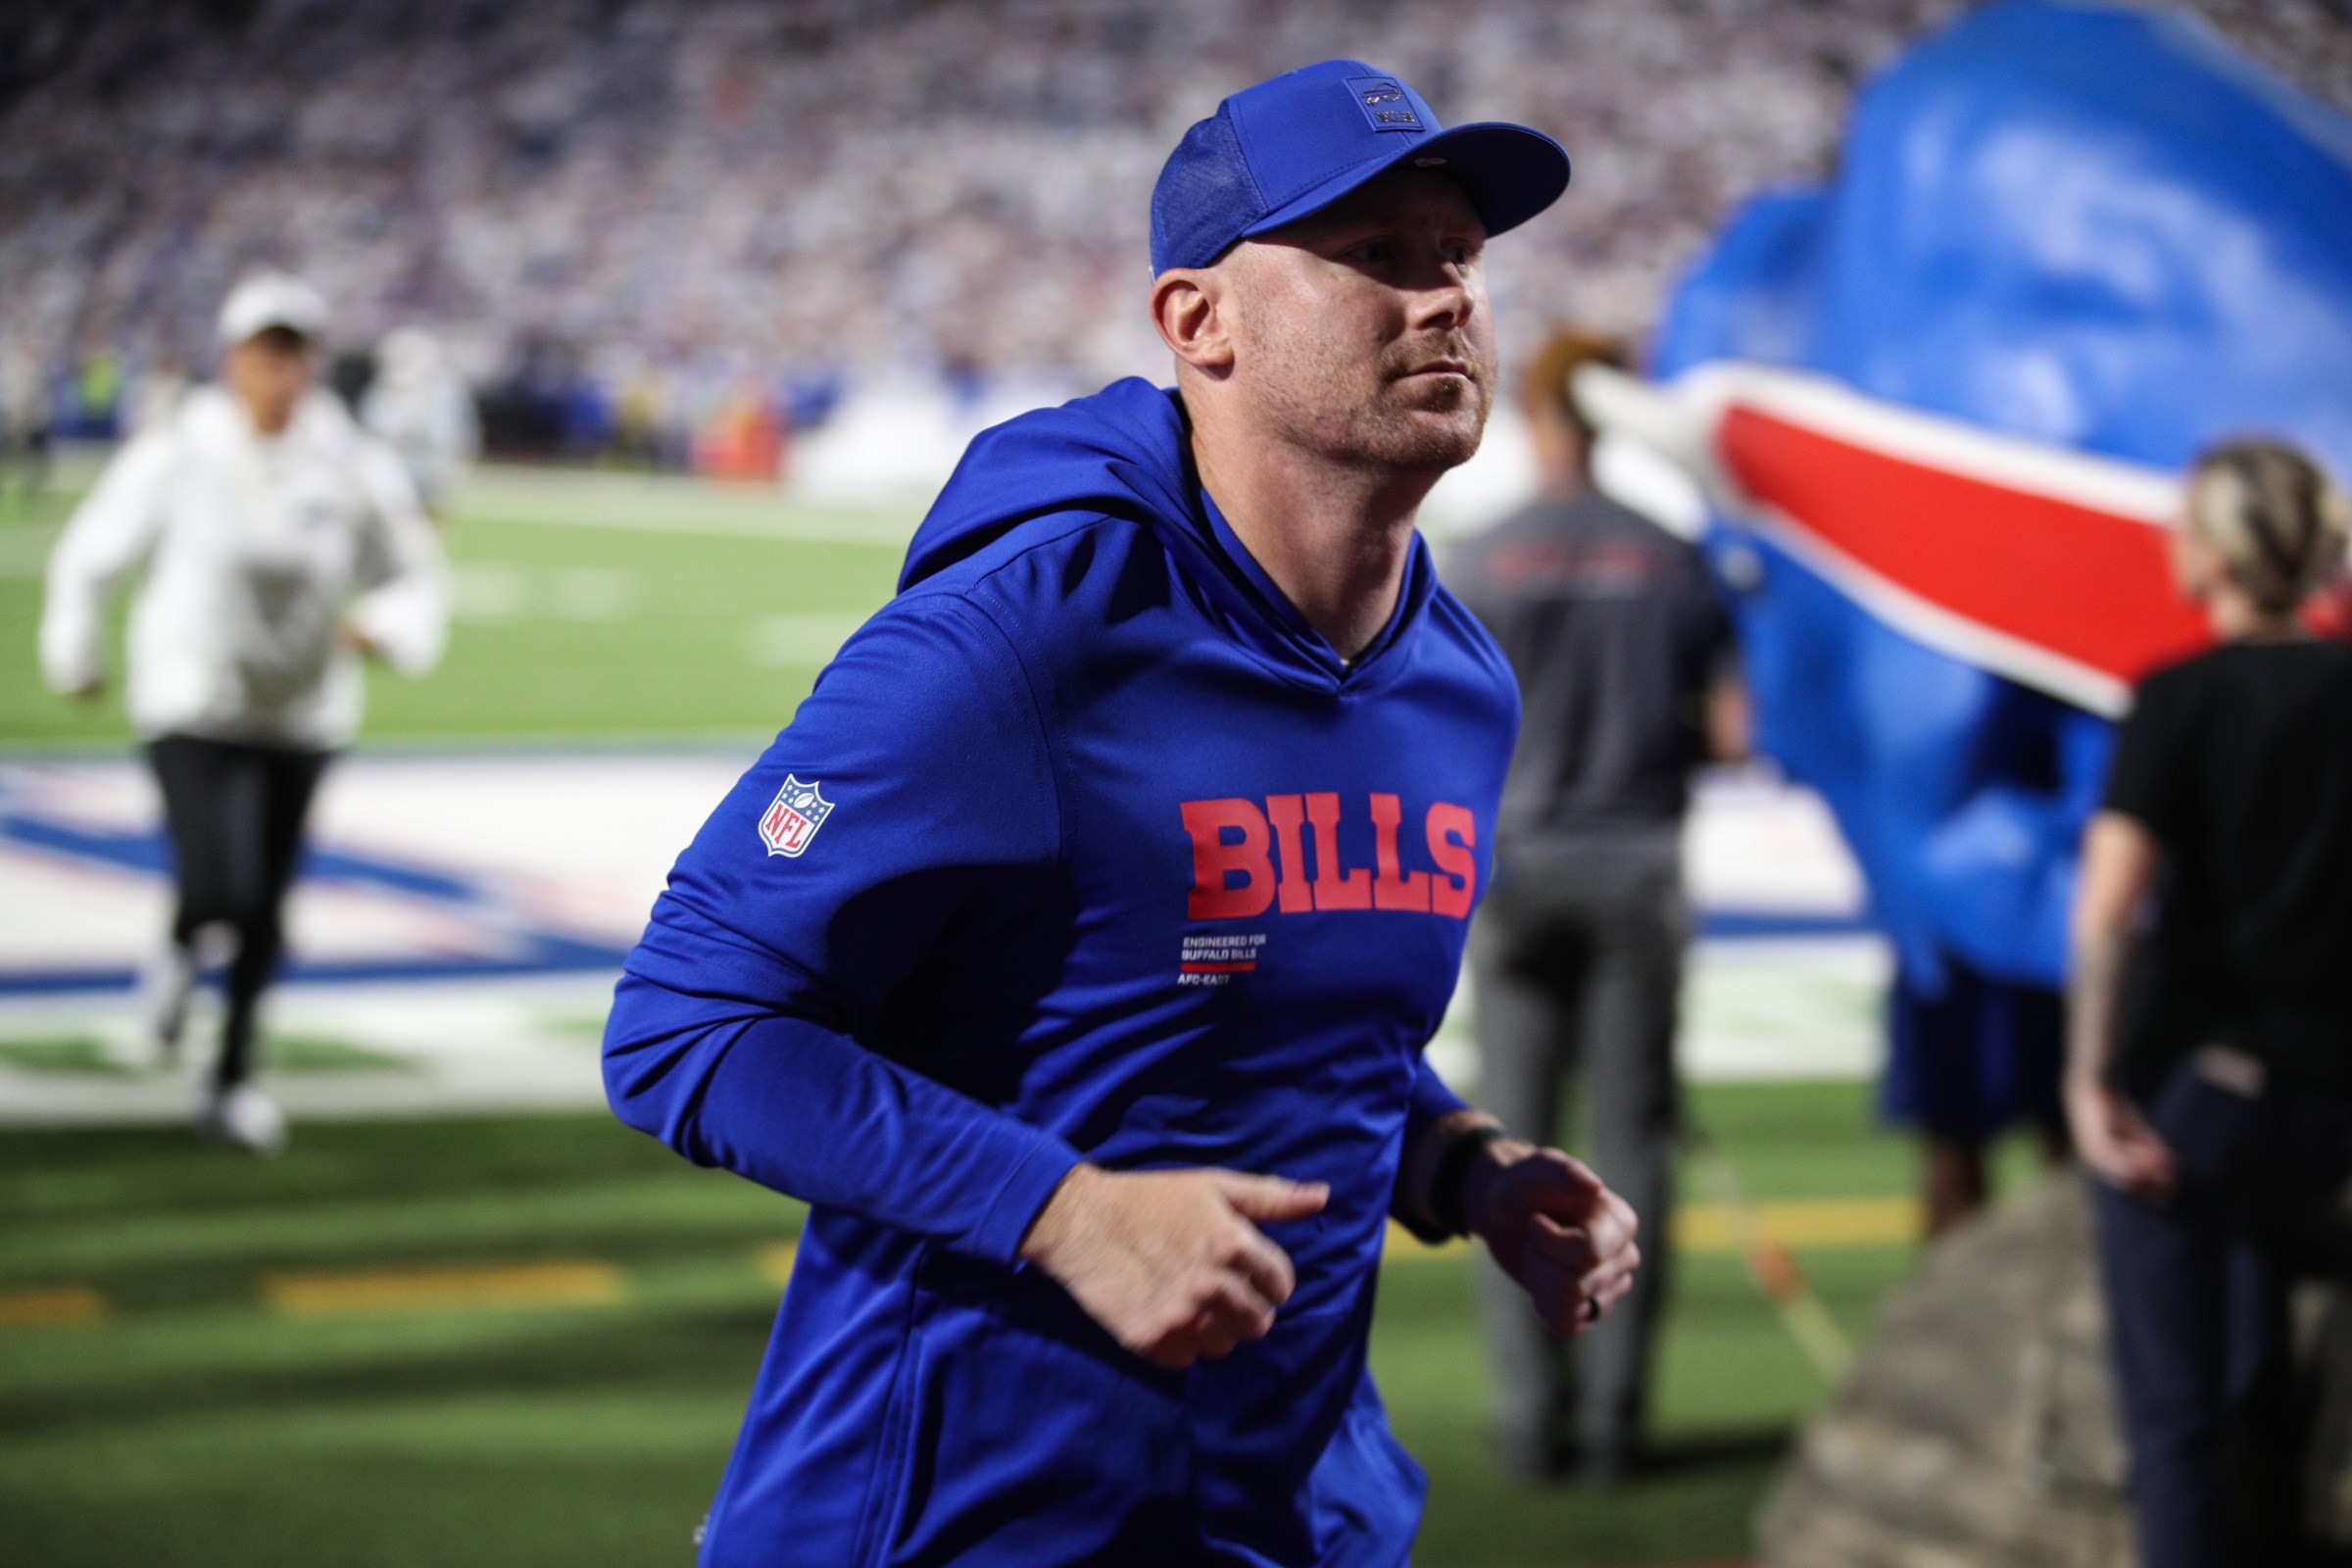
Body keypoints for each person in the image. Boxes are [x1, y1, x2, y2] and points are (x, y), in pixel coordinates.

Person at [604, 61, 1642, 1567]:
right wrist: (1064, 1212)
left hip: (1292, 1518)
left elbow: (1279, 1021)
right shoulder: (1020, 640)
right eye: (1374, 259)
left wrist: (1464, 1168)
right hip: (951, 1524)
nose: (1445, 302)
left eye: (1461, 260)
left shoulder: (1459, 683)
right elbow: (683, 1027)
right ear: (1196, 322)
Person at [38, 271, 449, 1153]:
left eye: (294, 353)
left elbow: (413, 570)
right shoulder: (180, 449)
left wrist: (379, 627)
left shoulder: (350, 462)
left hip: (299, 712)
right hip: (191, 699)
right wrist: (74, 650)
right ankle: (185, 946)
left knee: (264, 907)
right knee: (216, 886)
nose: (278, 370)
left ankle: (231, 1075)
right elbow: (93, 550)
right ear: (231, 361)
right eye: (264, 351)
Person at [1445, 329, 1744, 1483]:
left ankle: (1532, 1423)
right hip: (1636, 869)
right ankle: (1617, 1423)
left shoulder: (1480, 557)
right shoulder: (1674, 559)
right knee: (1632, 1155)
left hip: (1517, 877)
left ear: (1532, 414)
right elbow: (1731, 733)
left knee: (1507, 1152)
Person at [2066, 440, 2352, 1568]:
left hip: (2201, 1100)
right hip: (2325, 1111)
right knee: (2264, 1404)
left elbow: (2107, 910)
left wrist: (2088, 1082)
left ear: (2223, 548)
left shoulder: (2180, 697)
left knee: (2180, 1435)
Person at [361, 326, 479, 515]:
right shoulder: (380, 392)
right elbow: (373, 433)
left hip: (428, 470)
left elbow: (454, 436)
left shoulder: (444, 393)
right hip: (391, 471)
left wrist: (453, 467)